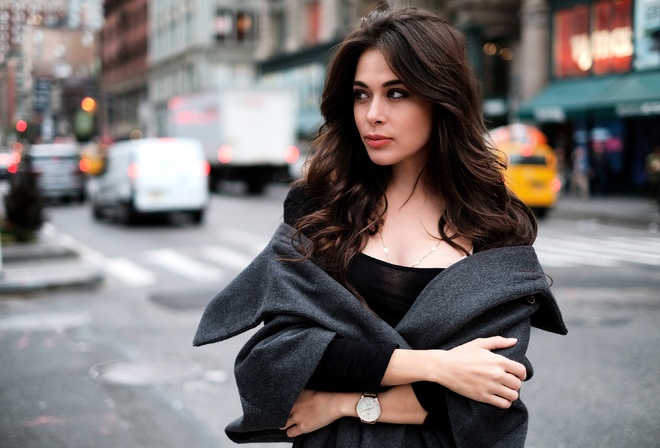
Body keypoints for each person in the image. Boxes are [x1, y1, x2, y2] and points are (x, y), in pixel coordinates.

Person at [194, 5, 567, 447]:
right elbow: (284, 353)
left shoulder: (495, 227)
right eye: (360, 93)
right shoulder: (322, 211)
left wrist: (342, 403)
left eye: (396, 93)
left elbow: (490, 387)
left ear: (442, 98)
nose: (372, 114)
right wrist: (438, 367)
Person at [645, 145, 660, 211]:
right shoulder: (651, 157)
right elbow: (649, 166)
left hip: (658, 176)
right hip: (652, 177)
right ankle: (652, 202)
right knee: (652, 190)